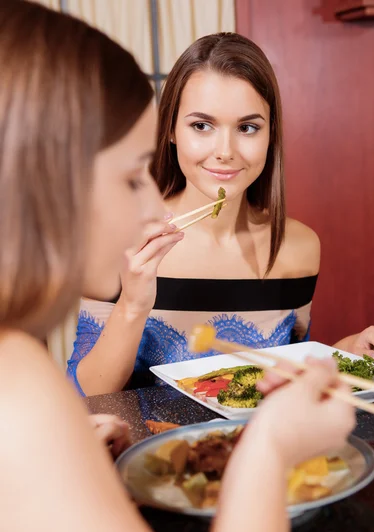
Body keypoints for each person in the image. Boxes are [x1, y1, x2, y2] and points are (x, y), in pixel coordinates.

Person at [0, 3, 355, 532]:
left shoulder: (18, 370)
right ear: (46, 176)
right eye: (133, 176)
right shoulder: (18, 391)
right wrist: (266, 451)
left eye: (248, 126)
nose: (150, 209)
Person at [68, 32, 321, 396]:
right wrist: (133, 303)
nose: (225, 151)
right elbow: (87, 395)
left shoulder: (298, 248)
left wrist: (350, 350)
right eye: (201, 125)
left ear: (271, 135)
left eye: (247, 128)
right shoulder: (115, 238)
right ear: (170, 129)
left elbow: (290, 376)